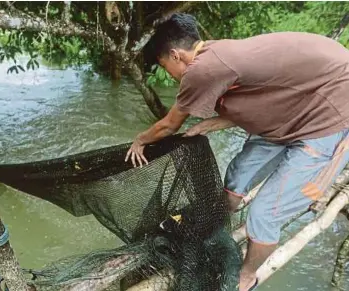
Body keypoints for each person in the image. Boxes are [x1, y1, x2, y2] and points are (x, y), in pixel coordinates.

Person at [125, 13, 349, 291]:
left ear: (176, 55)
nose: (170, 76)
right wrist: (219, 120)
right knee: (234, 181)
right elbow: (270, 91)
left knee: (264, 214)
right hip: (292, 111)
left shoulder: (202, 69)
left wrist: (139, 140)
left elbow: (169, 125)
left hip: (328, 122)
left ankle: (247, 275)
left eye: (164, 66)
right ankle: (215, 227)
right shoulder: (216, 51)